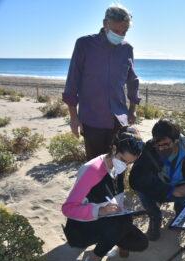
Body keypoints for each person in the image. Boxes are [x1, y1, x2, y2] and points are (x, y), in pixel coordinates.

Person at [62, 4, 141, 160]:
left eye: (124, 32)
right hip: (92, 121)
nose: (120, 35)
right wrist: (73, 117)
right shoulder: (84, 45)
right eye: (117, 31)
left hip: (120, 121)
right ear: (106, 24)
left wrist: (132, 109)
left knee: (119, 167)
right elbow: (72, 82)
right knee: (96, 168)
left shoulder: (127, 49)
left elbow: (133, 80)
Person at [62, 127, 148, 261]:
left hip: (105, 219)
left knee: (140, 242)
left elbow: (116, 196)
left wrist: (125, 209)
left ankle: (107, 242)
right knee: (120, 225)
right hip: (80, 228)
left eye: (129, 163)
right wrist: (100, 210)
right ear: (114, 148)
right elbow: (68, 209)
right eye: (123, 160)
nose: (125, 165)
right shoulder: (92, 170)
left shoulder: (118, 166)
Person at [129, 119, 185, 241]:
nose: (161, 148)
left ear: (176, 141)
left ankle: (180, 215)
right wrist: (170, 190)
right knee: (141, 189)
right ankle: (155, 216)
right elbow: (135, 179)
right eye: (158, 144)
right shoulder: (150, 149)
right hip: (159, 189)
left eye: (166, 144)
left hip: (183, 190)